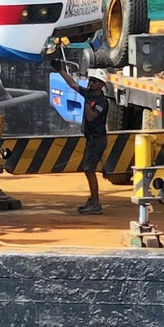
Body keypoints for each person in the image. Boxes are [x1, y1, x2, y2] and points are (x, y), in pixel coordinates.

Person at [58, 61, 111, 214]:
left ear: (101, 84)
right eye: (90, 80)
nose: (90, 83)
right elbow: (73, 85)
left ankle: (96, 203)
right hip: (92, 139)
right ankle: (93, 200)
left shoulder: (101, 101)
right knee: (88, 169)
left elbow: (91, 117)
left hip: (97, 140)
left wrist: (86, 103)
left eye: (93, 81)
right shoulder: (89, 94)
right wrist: (60, 70)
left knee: (89, 170)